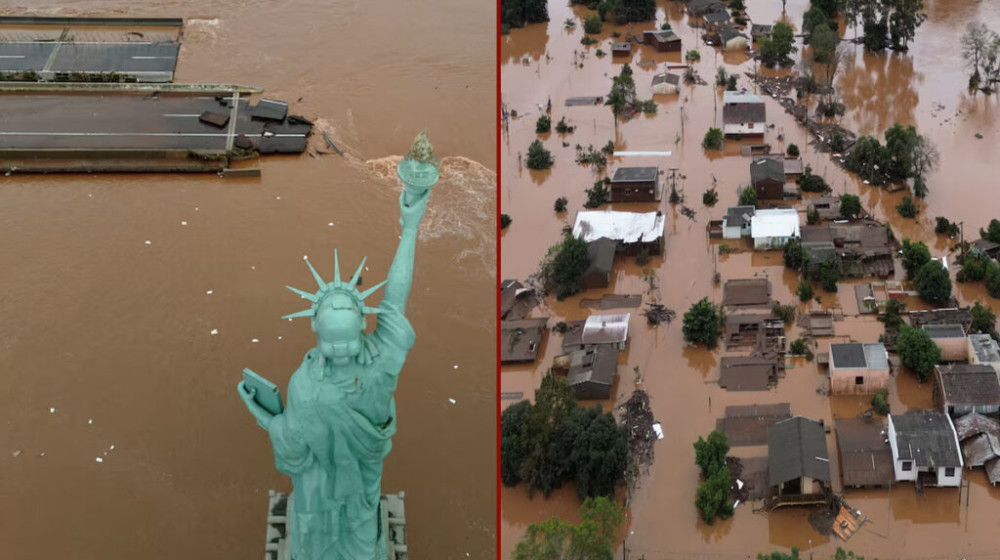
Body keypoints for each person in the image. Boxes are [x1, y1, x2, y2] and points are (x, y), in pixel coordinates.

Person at [238, 189, 428, 559]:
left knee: (316, 527)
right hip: (359, 489)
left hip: (319, 496)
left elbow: (292, 448)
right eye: (334, 343)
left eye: (344, 342)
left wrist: (266, 418)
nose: (340, 350)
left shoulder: (307, 385)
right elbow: (395, 301)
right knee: (361, 529)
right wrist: (409, 228)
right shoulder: (379, 363)